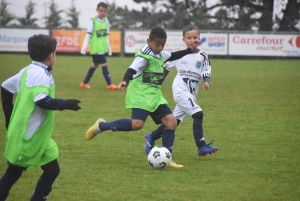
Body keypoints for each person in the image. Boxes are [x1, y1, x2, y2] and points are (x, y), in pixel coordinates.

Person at [85, 27, 193, 168]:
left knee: (171, 122)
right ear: (149, 41)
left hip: (154, 95)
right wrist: (125, 80)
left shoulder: (160, 53)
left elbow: (172, 56)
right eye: (157, 45)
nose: (160, 48)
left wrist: (189, 50)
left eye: (162, 45)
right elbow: (132, 69)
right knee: (137, 124)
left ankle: (168, 157)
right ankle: (101, 126)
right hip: (140, 93)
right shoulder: (144, 56)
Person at [0, 34, 81, 201]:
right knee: (13, 173)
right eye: (56, 53)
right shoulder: (40, 75)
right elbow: (41, 100)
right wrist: (65, 104)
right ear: (51, 55)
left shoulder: (27, 70)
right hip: (28, 138)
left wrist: (10, 119)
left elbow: (5, 88)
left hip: (40, 138)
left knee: (52, 170)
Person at [144, 25, 218, 165]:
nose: (192, 40)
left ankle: (151, 136)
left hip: (191, 93)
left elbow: (206, 70)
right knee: (198, 114)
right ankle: (201, 146)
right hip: (180, 91)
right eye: (189, 38)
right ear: (183, 39)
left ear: (199, 39)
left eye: (195, 37)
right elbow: (165, 69)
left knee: (173, 122)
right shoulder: (179, 55)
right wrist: (156, 85)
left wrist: (207, 81)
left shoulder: (202, 55)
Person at [80, 2, 119, 90]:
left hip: (102, 48)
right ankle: (110, 84)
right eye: (100, 10)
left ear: (106, 11)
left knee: (94, 65)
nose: (102, 12)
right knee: (105, 64)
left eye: (104, 11)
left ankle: (84, 83)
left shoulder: (106, 21)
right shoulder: (93, 20)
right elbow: (88, 34)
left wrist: (109, 48)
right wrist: (84, 48)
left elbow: (106, 36)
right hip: (96, 48)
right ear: (97, 10)